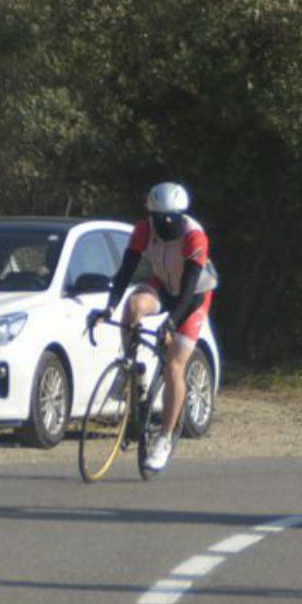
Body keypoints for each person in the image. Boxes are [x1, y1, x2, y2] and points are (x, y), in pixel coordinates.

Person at [89, 181, 218, 475]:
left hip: (194, 297)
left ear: (179, 217)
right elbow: (125, 271)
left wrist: (171, 322)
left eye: (167, 220)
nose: (160, 225)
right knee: (132, 308)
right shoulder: (144, 229)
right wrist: (109, 306)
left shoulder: (194, 236)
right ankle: (131, 368)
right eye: (156, 218)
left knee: (174, 365)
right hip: (162, 285)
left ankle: (164, 437)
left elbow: (187, 292)